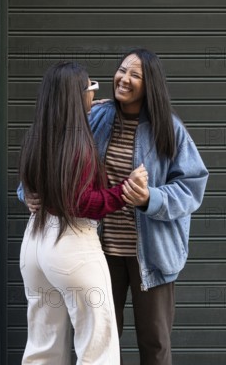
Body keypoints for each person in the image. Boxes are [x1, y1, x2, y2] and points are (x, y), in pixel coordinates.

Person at [16, 61, 148, 365]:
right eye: (92, 87)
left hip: (35, 245)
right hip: (73, 244)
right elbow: (81, 202)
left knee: (42, 345)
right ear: (77, 96)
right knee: (98, 349)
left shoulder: (38, 137)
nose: (97, 94)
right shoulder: (78, 143)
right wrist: (125, 190)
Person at [87, 48, 209, 364]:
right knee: (100, 342)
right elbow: (56, 158)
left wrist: (149, 199)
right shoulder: (97, 118)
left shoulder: (169, 129)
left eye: (135, 75)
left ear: (149, 84)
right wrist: (28, 190)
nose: (124, 79)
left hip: (153, 257)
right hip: (100, 253)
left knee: (154, 345)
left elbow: (192, 188)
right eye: (121, 70)